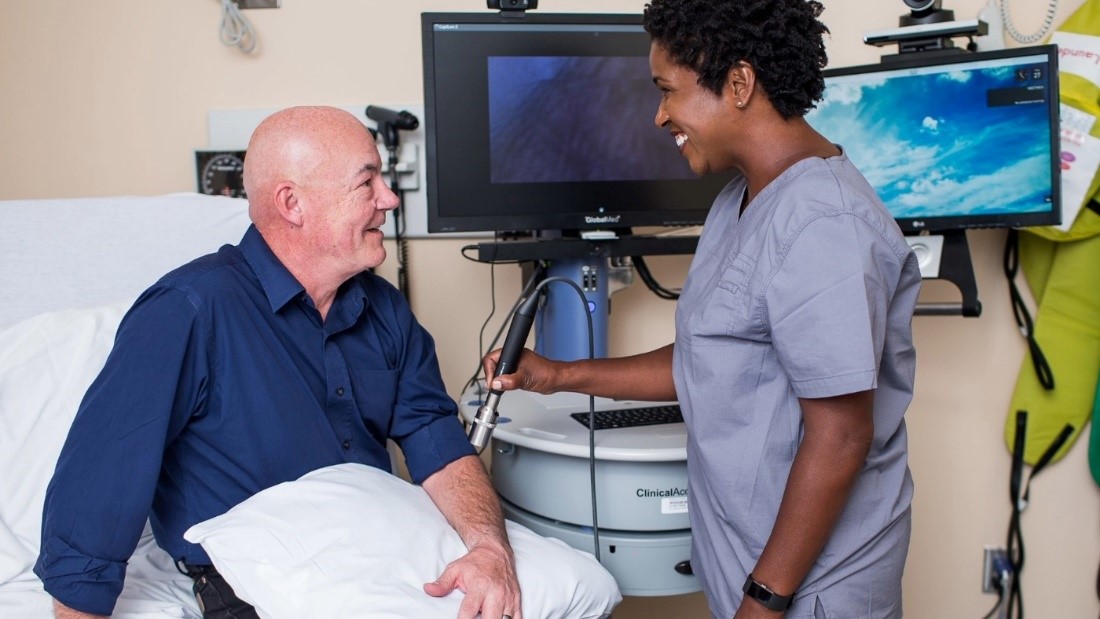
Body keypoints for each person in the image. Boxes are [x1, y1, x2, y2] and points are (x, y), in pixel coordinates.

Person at [482, 1, 921, 617]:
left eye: (669, 91)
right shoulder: (740, 197)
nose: (660, 115)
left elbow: (841, 434)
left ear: (739, 83)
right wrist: (555, 375)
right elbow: (710, 359)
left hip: (813, 586)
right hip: (750, 562)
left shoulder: (827, 224)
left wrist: (764, 602)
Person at [35, 106, 522, 619]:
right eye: (367, 182)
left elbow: (436, 439)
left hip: (378, 553)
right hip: (259, 581)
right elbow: (101, 480)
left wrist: (489, 549)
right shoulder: (189, 311)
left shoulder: (384, 310)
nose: (390, 199)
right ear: (293, 203)